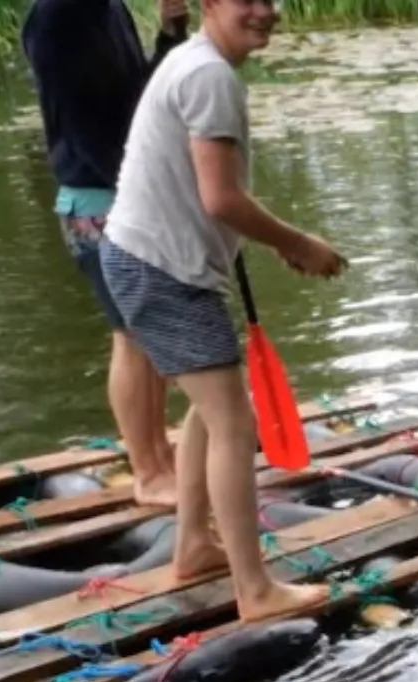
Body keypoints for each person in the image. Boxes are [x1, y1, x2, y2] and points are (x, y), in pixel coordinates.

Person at [100, 0, 345, 621]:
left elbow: (204, 194)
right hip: (161, 269)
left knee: (210, 413)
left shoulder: (193, 60)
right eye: (248, 1)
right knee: (235, 423)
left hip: (148, 261)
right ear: (209, 4)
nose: (266, 12)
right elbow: (221, 198)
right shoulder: (209, 75)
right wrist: (299, 243)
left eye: (271, 0)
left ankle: (192, 547)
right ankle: (255, 588)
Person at [22, 0, 190, 507]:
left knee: (146, 331)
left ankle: (159, 453)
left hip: (127, 194)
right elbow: (84, 120)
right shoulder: (58, 16)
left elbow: (141, 102)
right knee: (133, 335)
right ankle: (148, 471)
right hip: (99, 201)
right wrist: (137, 186)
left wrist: (169, 33)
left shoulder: (106, 9)